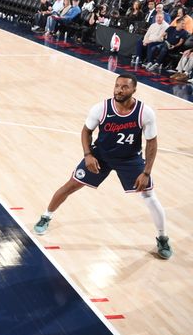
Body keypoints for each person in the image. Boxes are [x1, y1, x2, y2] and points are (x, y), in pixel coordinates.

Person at [33, 73, 171, 259]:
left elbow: (152, 143)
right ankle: (46, 216)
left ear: (134, 90)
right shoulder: (101, 108)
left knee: (149, 196)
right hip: (101, 156)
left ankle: (162, 237)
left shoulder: (145, 112)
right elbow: (86, 131)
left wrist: (146, 172)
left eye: (124, 87)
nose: (119, 90)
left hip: (130, 159)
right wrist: (88, 154)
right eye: (117, 86)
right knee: (71, 185)